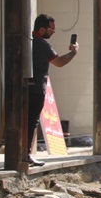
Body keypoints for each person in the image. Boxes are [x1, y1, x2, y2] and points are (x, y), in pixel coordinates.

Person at [27, 14, 78, 167]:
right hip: (36, 88)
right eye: (51, 29)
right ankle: (26, 154)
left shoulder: (29, 41)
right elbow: (59, 62)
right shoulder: (42, 44)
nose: (53, 32)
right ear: (42, 29)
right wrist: (74, 52)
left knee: (26, 122)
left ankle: (24, 153)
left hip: (27, 87)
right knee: (31, 123)